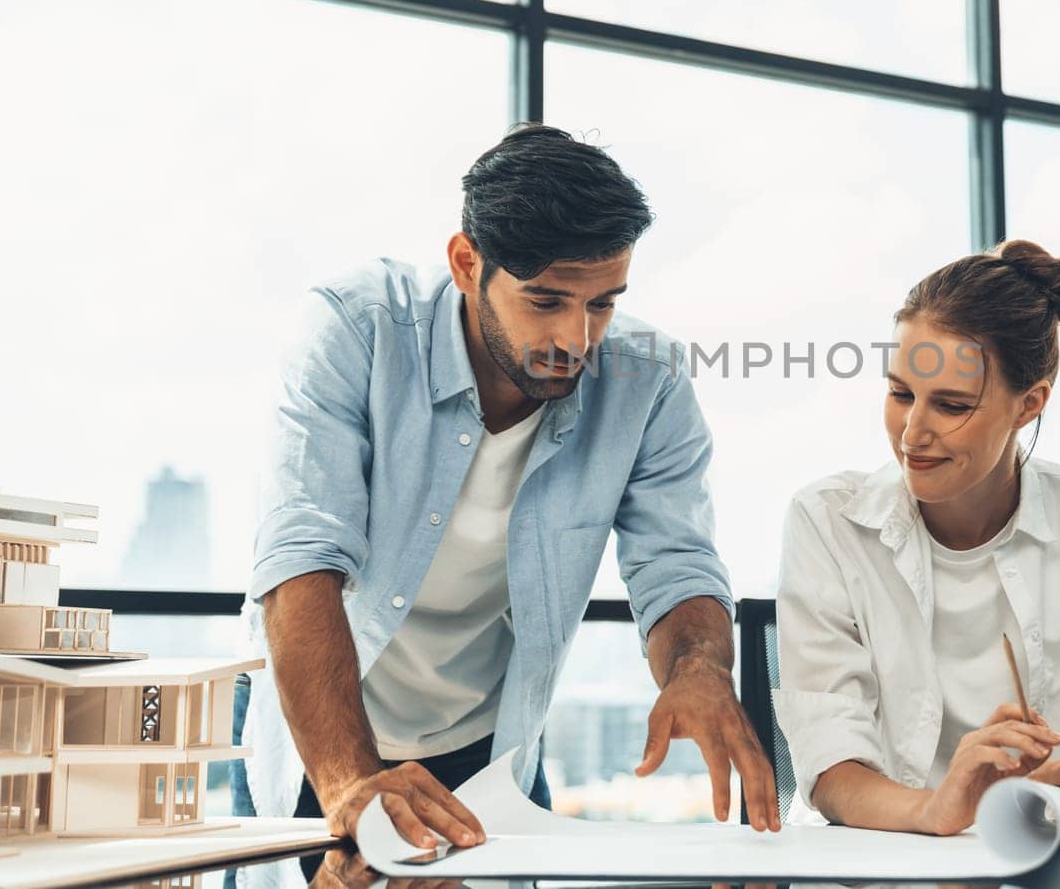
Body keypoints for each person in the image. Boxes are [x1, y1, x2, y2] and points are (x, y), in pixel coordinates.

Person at [237, 124, 781, 861]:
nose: (578, 338)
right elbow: (301, 554)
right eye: (547, 300)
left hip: (492, 757)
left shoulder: (647, 381)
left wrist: (698, 669)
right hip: (322, 737)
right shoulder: (355, 328)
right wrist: (352, 781)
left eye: (603, 304)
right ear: (467, 263)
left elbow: (676, 562)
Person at [774, 239, 1060, 836]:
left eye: (951, 405)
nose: (912, 432)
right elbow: (830, 767)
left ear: (1028, 404)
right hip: (875, 871)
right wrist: (936, 810)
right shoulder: (828, 521)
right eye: (900, 393)